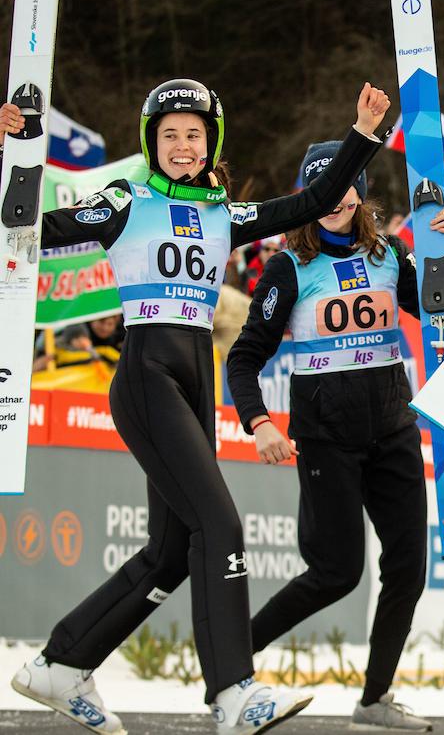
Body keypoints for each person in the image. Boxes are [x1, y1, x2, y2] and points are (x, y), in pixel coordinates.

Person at [9, 78, 391, 735]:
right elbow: (29, 229)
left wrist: (361, 134)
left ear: (209, 141)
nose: (182, 146)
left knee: (169, 551)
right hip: (147, 377)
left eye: (193, 134)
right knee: (221, 525)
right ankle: (233, 692)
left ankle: (62, 662)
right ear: (150, 144)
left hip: (195, 382)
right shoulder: (125, 201)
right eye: (169, 135)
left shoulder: (223, 213)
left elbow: (316, 199)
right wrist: (11, 154)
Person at [225, 141, 444, 731]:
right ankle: (227, 665)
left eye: (344, 188)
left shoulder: (389, 254)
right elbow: (243, 357)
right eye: (323, 192)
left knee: (408, 569)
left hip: (392, 431)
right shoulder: (289, 266)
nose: (335, 201)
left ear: (358, 192)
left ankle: (374, 699)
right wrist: (258, 423)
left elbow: (441, 308)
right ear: (311, 200)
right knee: (336, 572)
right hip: (327, 441)